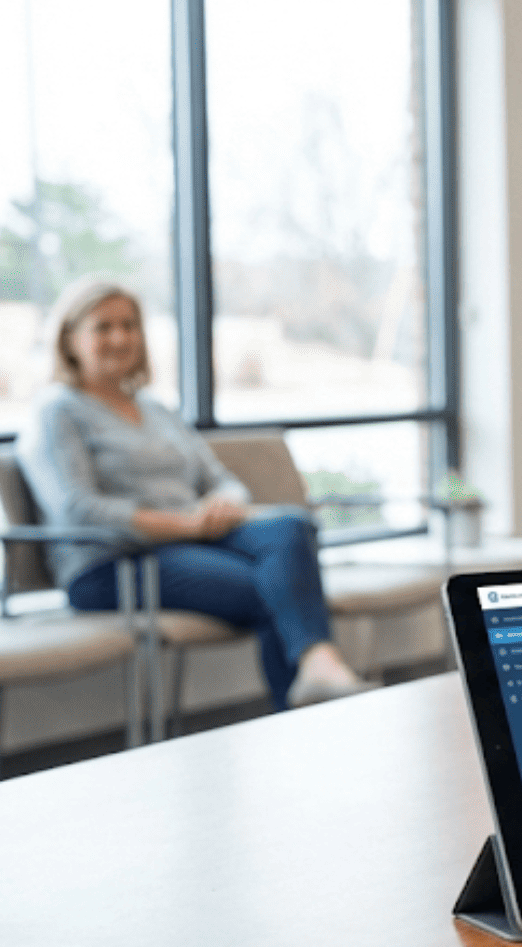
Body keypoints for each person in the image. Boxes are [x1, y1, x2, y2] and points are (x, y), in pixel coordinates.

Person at [18, 275, 373, 710]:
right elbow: (78, 508)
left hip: (195, 540)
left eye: (129, 325)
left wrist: (224, 504)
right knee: (273, 589)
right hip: (113, 563)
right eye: (103, 327)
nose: (121, 338)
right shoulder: (56, 409)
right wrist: (184, 525)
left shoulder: (155, 408)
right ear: (70, 339)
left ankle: (320, 667)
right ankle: (308, 709)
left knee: (291, 526)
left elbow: (220, 478)